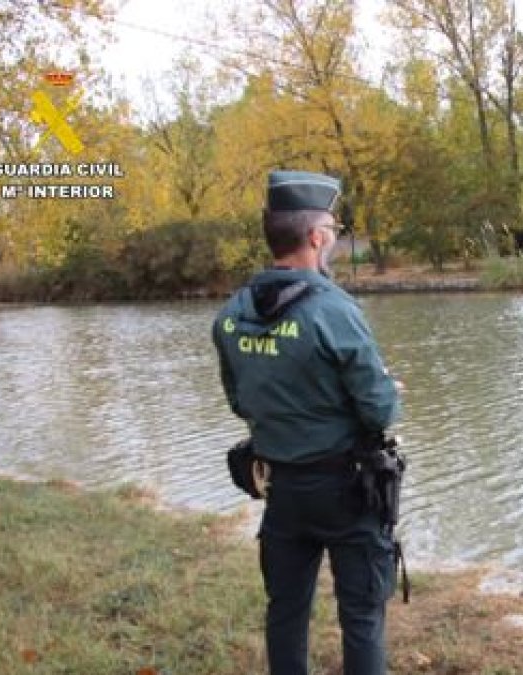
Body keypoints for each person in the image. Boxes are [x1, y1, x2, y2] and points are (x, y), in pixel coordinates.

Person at [212, 170, 402, 675]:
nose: (334, 239)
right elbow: (379, 410)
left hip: (281, 488)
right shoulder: (333, 309)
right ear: (316, 237)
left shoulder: (231, 313)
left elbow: (240, 401)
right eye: (333, 231)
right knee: (361, 614)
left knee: (286, 610)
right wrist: (385, 390)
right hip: (348, 488)